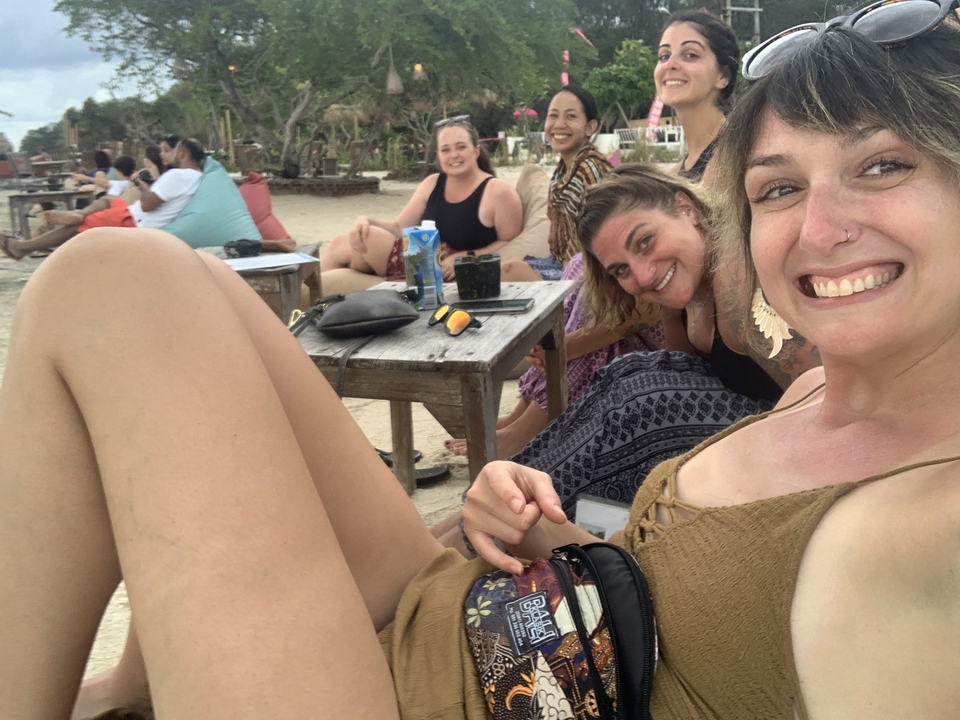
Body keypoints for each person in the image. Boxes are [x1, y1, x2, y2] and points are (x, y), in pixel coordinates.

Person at [4, 10, 960, 720]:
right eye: (781, 187)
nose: (823, 228)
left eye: (883, 166)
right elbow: (671, 603)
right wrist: (526, 516)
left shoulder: (928, 522)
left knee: (112, 282)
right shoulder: (810, 389)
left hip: (436, 697)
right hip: (475, 608)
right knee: (180, 280)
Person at [320, 118, 522, 282]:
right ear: (438, 155)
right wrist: (365, 219)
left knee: (366, 238)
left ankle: (343, 277)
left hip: (441, 269)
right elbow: (400, 227)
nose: (453, 155)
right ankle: (314, 303)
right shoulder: (433, 183)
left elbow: (511, 242)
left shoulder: (498, 191)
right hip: (419, 255)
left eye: (461, 147)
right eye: (445, 150)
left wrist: (468, 257)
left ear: (476, 151)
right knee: (343, 241)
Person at [0, 139, 205, 261]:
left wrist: (143, 188)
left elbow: (147, 205)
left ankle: (22, 247)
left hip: (136, 220)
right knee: (108, 200)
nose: (163, 154)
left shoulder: (179, 175)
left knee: (80, 226)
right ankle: (78, 213)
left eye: (169, 150)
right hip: (134, 214)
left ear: (182, 153)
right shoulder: (194, 176)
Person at [501, 85, 613, 282]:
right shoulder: (562, 172)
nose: (559, 124)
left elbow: (597, 232)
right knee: (505, 271)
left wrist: (568, 274)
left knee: (508, 273)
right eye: (553, 116)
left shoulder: (589, 167)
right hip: (560, 261)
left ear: (590, 127)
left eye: (571, 116)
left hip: (589, 271)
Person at [655, 10, 739, 180]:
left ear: (723, 76)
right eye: (664, 56)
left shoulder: (737, 158)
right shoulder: (674, 175)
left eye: (690, 55)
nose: (670, 65)